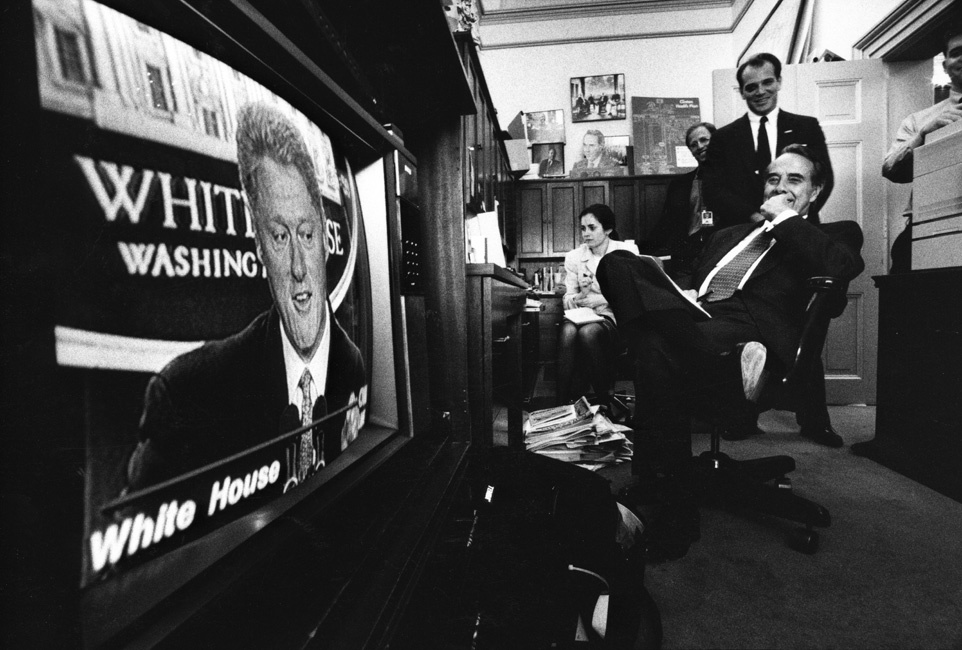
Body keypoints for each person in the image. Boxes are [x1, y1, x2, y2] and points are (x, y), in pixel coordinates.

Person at [596, 145, 864, 560]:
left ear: (816, 190)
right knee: (618, 264)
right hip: (695, 320)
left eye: (795, 180)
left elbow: (841, 267)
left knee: (653, 348)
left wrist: (786, 219)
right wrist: (678, 292)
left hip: (750, 328)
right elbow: (679, 274)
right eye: (774, 179)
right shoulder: (727, 235)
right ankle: (710, 363)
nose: (780, 187)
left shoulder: (835, 233)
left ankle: (672, 495)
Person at [126, 102, 366, 491]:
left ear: (325, 236)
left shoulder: (354, 363)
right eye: (279, 236)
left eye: (306, 234)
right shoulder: (187, 394)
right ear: (258, 246)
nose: (298, 267)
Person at [703, 52, 833, 229]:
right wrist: (754, 217)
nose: (760, 91)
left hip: (800, 228)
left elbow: (824, 180)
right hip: (741, 228)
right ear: (742, 92)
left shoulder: (806, 127)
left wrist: (794, 217)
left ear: (779, 82)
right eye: (751, 87)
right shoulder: (723, 137)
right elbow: (713, 191)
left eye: (767, 82)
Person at [882, 26, 962, 272]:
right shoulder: (919, 121)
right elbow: (890, 169)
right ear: (946, 64)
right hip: (924, 230)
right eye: (957, 52)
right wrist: (923, 134)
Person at [557, 204, 638, 412]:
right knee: (568, 331)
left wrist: (600, 300)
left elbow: (633, 296)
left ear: (608, 229)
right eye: (583, 229)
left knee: (588, 333)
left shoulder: (626, 252)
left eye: (592, 228)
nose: (586, 234)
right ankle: (562, 404)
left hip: (614, 317)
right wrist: (583, 294)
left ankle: (604, 402)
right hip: (581, 314)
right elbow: (568, 298)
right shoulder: (574, 257)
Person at [645, 122, 717, 274]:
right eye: (693, 144)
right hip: (687, 258)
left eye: (704, 140)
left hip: (719, 255)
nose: (699, 146)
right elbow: (665, 223)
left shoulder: (733, 179)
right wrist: (641, 251)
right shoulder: (679, 185)